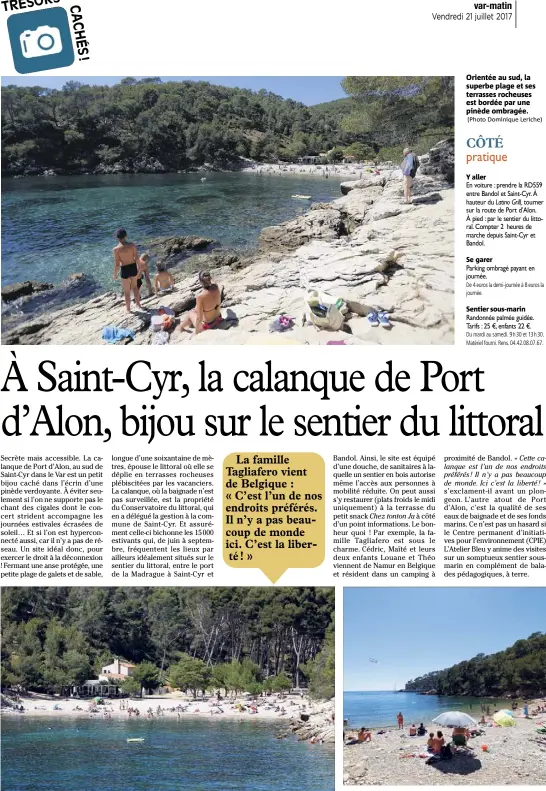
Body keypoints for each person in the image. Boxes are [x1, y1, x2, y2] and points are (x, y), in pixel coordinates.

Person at [179, 270, 222, 336]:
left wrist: (196, 332)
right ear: (209, 278)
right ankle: (186, 325)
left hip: (208, 325)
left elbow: (199, 318)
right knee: (196, 309)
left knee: (191, 313)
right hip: (219, 319)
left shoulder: (200, 296)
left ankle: (181, 327)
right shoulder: (216, 286)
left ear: (200, 282)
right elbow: (213, 281)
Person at [113, 228, 142, 312]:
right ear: (126, 236)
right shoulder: (132, 245)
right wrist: (139, 269)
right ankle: (138, 304)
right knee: (135, 287)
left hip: (124, 269)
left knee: (126, 291)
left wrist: (115, 274)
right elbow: (137, 258)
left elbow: (117, 264)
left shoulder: (116, 249)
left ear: (117, 237)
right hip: (133, 267)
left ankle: (128, 309)